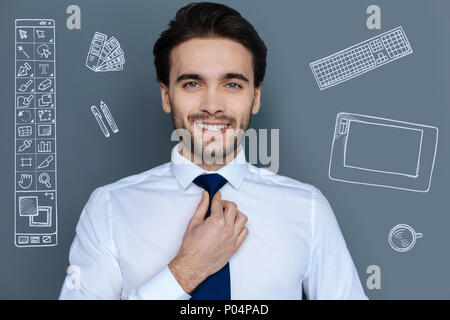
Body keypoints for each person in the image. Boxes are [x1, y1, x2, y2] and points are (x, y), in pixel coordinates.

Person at [59, 2, 367, 300]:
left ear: (255, 97)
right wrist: (186, 270)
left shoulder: (308, 209)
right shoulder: (109, 209)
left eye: (232, 84)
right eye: (192, 84)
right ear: (167, 96)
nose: (212, 106)